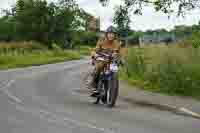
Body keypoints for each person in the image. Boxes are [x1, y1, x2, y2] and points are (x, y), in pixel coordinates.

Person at [89, 26, 121, 97]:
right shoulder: (101, 41)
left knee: (115, 70)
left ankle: (112, 85)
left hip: (111, 61)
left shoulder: (117, 43)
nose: (111, 35)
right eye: (109, 33)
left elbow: (119, 53)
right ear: (106, 34)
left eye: (112, 34)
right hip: (101, 59)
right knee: (99, 67)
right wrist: (95, 55)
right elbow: (95, 50)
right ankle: (94, 85)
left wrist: (120, 59)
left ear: (115, 35)